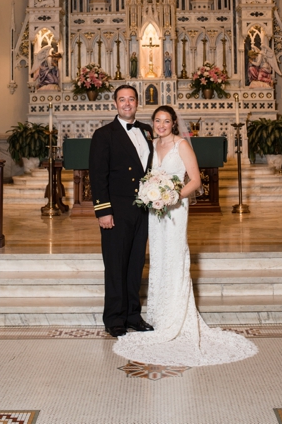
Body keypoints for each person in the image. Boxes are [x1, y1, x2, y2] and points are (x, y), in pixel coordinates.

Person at [113, 105, 258, 366]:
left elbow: (196, 180)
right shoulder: (152, 146)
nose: (161, 125)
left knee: (174, 255)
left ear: (173, 123)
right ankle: (160, 316)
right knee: (158, 258)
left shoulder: (181, 145)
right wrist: (152, 195)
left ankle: (177, 315)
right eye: (157, 120)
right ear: (153, 123)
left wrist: (171, 196)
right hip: (155, 212)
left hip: (175, 209)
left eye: (166, 121)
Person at [88, 85, 155, 338]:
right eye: (122, 100)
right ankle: (114, 318)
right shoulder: (104, 134)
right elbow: (98, 176)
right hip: (116, 209)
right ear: (115, 104)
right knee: (116, 264)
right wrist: (103, 211)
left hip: (142, 208)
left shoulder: (147, 131)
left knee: (136, 263)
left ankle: (133, 316)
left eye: (131, 99)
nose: (127, 104)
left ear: (137, 103)